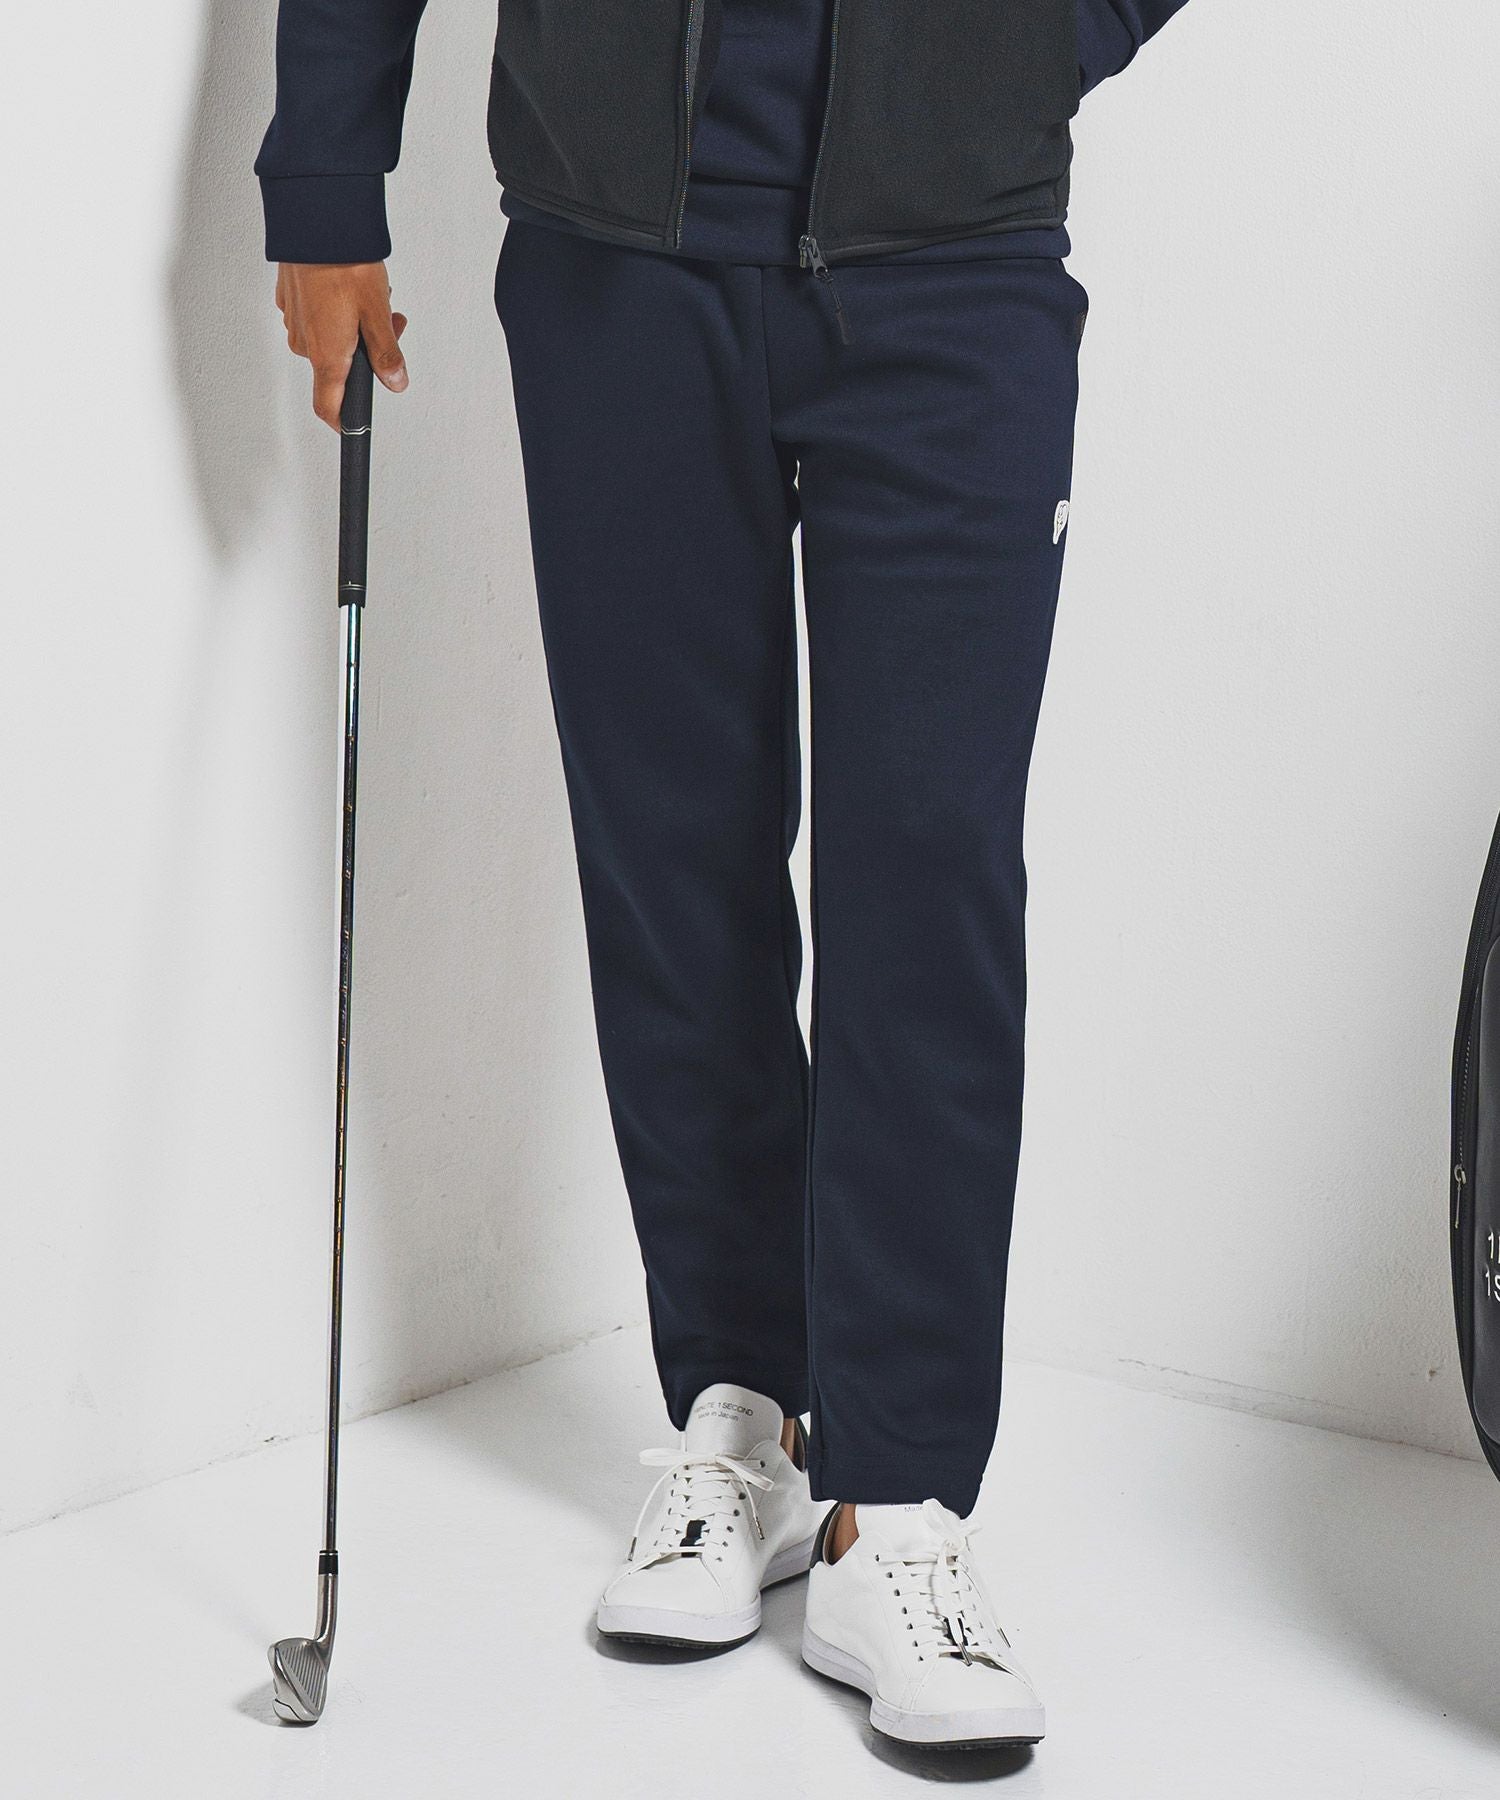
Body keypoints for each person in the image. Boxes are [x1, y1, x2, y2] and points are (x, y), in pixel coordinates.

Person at [259, 0, 1188, 1751]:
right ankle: (739, 1412)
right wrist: (325, 171)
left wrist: (1020, 44)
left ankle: (895, 1503)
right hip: (618, 256)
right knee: (671, 862)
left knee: (927, 881)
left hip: (953, 267)